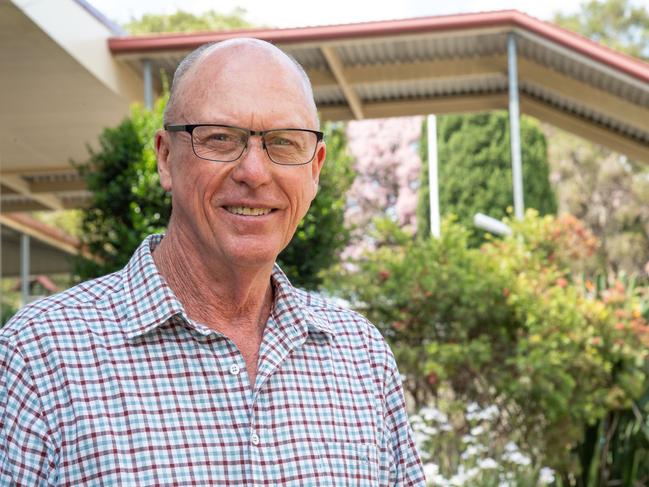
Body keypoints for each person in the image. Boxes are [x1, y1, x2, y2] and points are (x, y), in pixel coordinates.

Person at [0, 38, 425, 486]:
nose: (255, 173)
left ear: (314, 169)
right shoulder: (38, 359)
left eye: (284, 143)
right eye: (221, 139)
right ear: (166, 158)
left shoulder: (360, 358)